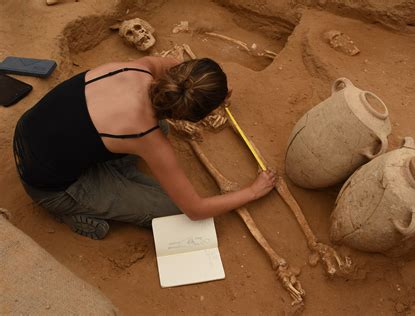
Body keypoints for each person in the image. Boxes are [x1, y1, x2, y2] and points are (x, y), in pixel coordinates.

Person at [13, 57, 276, 240]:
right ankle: (71, 210)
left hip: (30, 133)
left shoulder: (137, 69)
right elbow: (195, 210)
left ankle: (111, 179)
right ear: (191, 116)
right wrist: (253, 191)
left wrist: (208, 90)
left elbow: (172, 67)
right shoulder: (146, 136)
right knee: (172, 209)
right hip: (48, 187)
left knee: (159, 129)